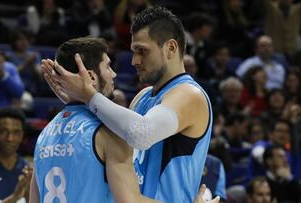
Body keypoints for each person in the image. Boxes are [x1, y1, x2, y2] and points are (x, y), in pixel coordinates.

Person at [47, 6, 213, 202]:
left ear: (171, 48)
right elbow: (118, 142)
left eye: (142, 51)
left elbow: (141, 134)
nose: (134, 60)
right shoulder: (143, 97)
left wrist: (88, 96)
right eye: (133, 51)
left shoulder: (189, 94)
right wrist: (77, 102)